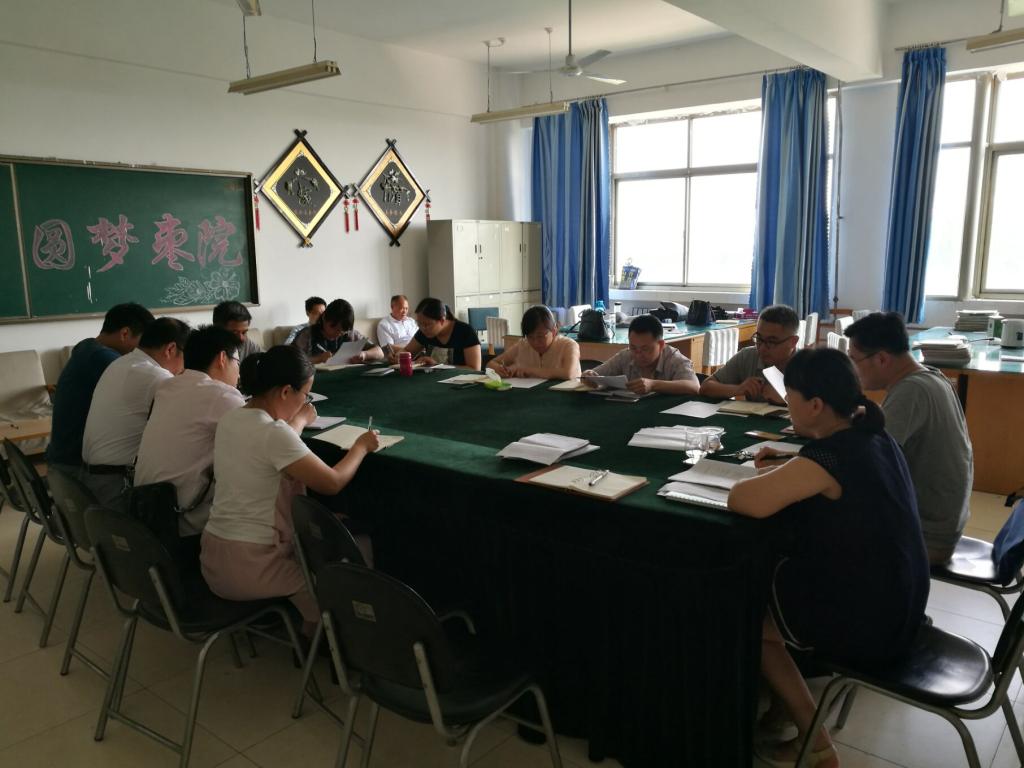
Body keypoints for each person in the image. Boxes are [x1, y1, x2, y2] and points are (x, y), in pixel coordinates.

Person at [728, 349, 929, 768]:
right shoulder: (873, 434)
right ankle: (783, 707)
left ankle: (815, 743)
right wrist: (790, 466)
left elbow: (743, 500)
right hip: (905, 599)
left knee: (749, 617)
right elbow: (828, 475)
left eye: (790, 397)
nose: (787, 404)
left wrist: (781, 472)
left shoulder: (831, 456)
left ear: (816, 405)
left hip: (873, 622)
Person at [200, 345, 379, 632]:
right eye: (305, 394)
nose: (305, 400)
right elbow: (332, 482)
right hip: (254, 565)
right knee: (337, 601)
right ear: (285, 391)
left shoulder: (232, 419)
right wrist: (361, 447)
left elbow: (276, 446)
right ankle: (316, 642)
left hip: (213, 558)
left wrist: (299, 420)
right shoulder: (274, 433)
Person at [845, 312, 972, 564]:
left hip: (926, 537)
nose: (852, 370)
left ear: (881, 358)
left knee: (813, 521)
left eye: (854, 360)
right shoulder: (931, 376)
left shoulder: (911, 390)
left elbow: (867, 463)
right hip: (941, 525)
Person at [135, 326, 245, 547]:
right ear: (222, 358)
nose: (239, 373)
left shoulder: (167, 386)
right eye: (237, 362)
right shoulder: (221, 395)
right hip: (183, 529)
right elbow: (265, 438)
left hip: (145, 514)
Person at [81, 317, 190, 505]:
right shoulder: (156, 376)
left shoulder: (120, 363)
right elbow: (187, 419)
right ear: (171, 349)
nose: (184, 367)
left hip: (90, 481)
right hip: (116, 486)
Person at [46, 303, 155, 476]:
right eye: (144, 343)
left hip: (62, 459)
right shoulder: (104, 359)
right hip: (77, 467)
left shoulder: (87, 347)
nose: (146, 351)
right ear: (125, 333)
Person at [699, 304, 801, 404]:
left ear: (793, 342)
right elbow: (705, 387)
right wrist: (738, 389)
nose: (762, 348)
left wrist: (787, 398)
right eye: (759, 339)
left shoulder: (807, 366)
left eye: (771, 342)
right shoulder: (748, 356)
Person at [582, 314, 699, 395]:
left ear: (661, 345)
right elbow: (594, 375)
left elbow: (694, 387)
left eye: (645, 349)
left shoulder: (674, 359)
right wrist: (588, 376)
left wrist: (653, 385)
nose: (638, 354)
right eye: (633, 347)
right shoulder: (625, 356)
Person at [487, 306, 581, 380]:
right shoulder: (523, 345)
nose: (535, 343)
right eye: (530, 337)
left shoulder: (568, 345)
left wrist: (527, 369)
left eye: (540, 336)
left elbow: (569, 373)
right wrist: (501, 370)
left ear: (554, 331)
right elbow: (491, 364)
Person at [390, 297, 482, 370]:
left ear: (442, 320)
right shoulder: (424, 331)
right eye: (419, 324)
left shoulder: (465, 331)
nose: (422, 328)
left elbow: (475, 368)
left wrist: (438, 366)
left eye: (427, 324)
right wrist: (398, 356)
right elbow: (407, 351)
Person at [292, 298, 384, 365]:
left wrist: (364, 354)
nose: (337, 333)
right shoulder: (307, 335)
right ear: (324, 318)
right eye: (334, 328)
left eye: (342, 331)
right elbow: (290, 361)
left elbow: (380, 352)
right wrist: (318, 359)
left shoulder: (350, 334)